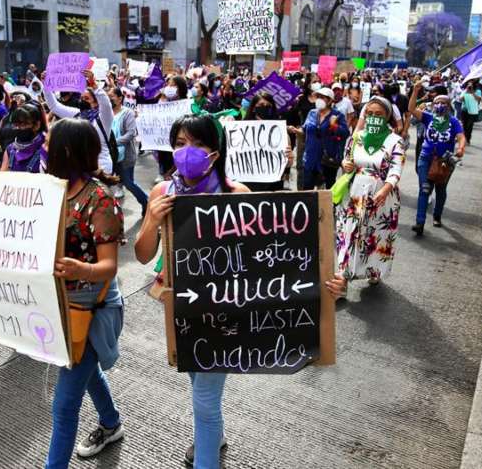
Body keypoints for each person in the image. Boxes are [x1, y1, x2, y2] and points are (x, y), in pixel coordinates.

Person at [134, 114, 348, 468]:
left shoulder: (236, 194)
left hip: (224, 310)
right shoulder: (162, 192)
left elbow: (272, 257)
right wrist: (153, 220)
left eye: (198, 144)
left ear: (216, 153)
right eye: (180, 143)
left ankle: (207, 455)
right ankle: (213, 437)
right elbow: (143, 255)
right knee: (197, 380)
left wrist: (326, 280)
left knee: (203, 399)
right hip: (182, 309)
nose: (187, 152)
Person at [45, 118, 125, 468]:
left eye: (49, 142)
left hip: (91, 309)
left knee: (63, 406)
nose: (43, 147)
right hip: (60, 306)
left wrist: (81, 270)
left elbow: (109, 266)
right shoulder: (49, 190)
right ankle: (111, 424)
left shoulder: (100, 199)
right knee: (88, 373)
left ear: (64, 150)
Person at [335, 97, 405, 287]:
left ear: (388, 117)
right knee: (349, 234)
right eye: (370, 114)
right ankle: (342, 278)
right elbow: (346, 159)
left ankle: (374, 269)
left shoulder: (395, 141)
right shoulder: (356, 138)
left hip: (381, 196)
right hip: (354, 195)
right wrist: (345, 164)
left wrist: (385, 189)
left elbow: (396, 170)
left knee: (375, 235)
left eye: (379, 114)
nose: (373, 118)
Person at [408, 84, 466, 236]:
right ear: (433, 105)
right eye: (437, 102)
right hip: (425, 157)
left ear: (449, 106)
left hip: (444, 161)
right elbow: (412, 108)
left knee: (440, 189)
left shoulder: (454, 122)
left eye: (443, 103)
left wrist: (460, 148)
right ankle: (419, 223)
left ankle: (437, 215)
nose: (440, 105)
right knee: (425, 188)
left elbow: (461, 137)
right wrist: (415, 91)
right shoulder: (428, 117)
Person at [44, 70, 115, 174]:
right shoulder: (77, 114)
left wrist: (94, 85)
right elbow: (54, 106)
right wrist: (46, 84)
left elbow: (106, 104)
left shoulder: (103, 118)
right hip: (79, 166)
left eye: (86, 98)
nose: (82, 101)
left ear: (95, 101)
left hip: (101, 166)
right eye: (81, 98)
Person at [241, 92, 293, 191]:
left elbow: (287, 165)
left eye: (268, 106)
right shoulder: (241, 132)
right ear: (253, 108)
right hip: (247, 184)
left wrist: (289, 159)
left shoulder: (281, 134)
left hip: (272, 185)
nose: (264, 108)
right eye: (261, 105)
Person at [300, 87, 349, 190]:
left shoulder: (337, 115)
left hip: (327, 159)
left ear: (330, 100)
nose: (319, 99)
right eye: (318, 97)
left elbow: (345, 133)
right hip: (310, 157)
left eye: (322, 97)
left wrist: (334, 126)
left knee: (328, 191)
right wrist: (294, 130)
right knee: (307, 189)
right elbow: (305, 129)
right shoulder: (312, 113)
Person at [109, 87, 147, 215]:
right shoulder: (106, 113)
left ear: (120, 98)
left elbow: (131, 133)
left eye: (112, 96)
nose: (109, 99)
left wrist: (113, 144)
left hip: (125, 155)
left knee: (128, 182)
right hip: (110, 156)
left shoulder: (128, 113)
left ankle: (146, 201)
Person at [0, 103, 47, 173]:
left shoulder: (46, 148)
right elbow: (2, 177)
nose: (19, 128)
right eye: (16, 124)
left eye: (24, 124)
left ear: (37, 125)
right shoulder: (11, 149)